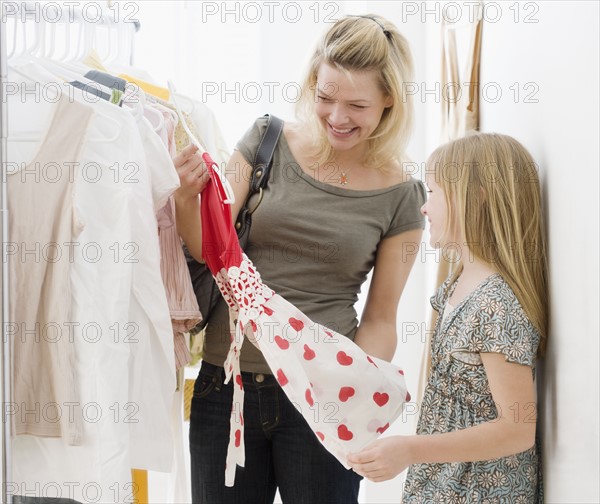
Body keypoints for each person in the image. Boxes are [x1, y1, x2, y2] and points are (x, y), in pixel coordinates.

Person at [173, 14, 426, 504]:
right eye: (325, 96)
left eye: (357, 105)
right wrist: (187, 200)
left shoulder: (401, 195)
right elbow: (212, 249)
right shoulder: (265, 139)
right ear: (313, 82)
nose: (336, 116)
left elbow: (380, 318)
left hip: (321, 400)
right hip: (227, 388)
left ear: (389, 101)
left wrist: (354, 395)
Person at [347, 132, 547, 502]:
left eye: (433, 192)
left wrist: (409, 450)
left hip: (477, 491)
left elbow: (517, 427)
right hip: (444, 485)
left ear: (478, 195)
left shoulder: (496, 305)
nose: (424, 207)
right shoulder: (457, 283)